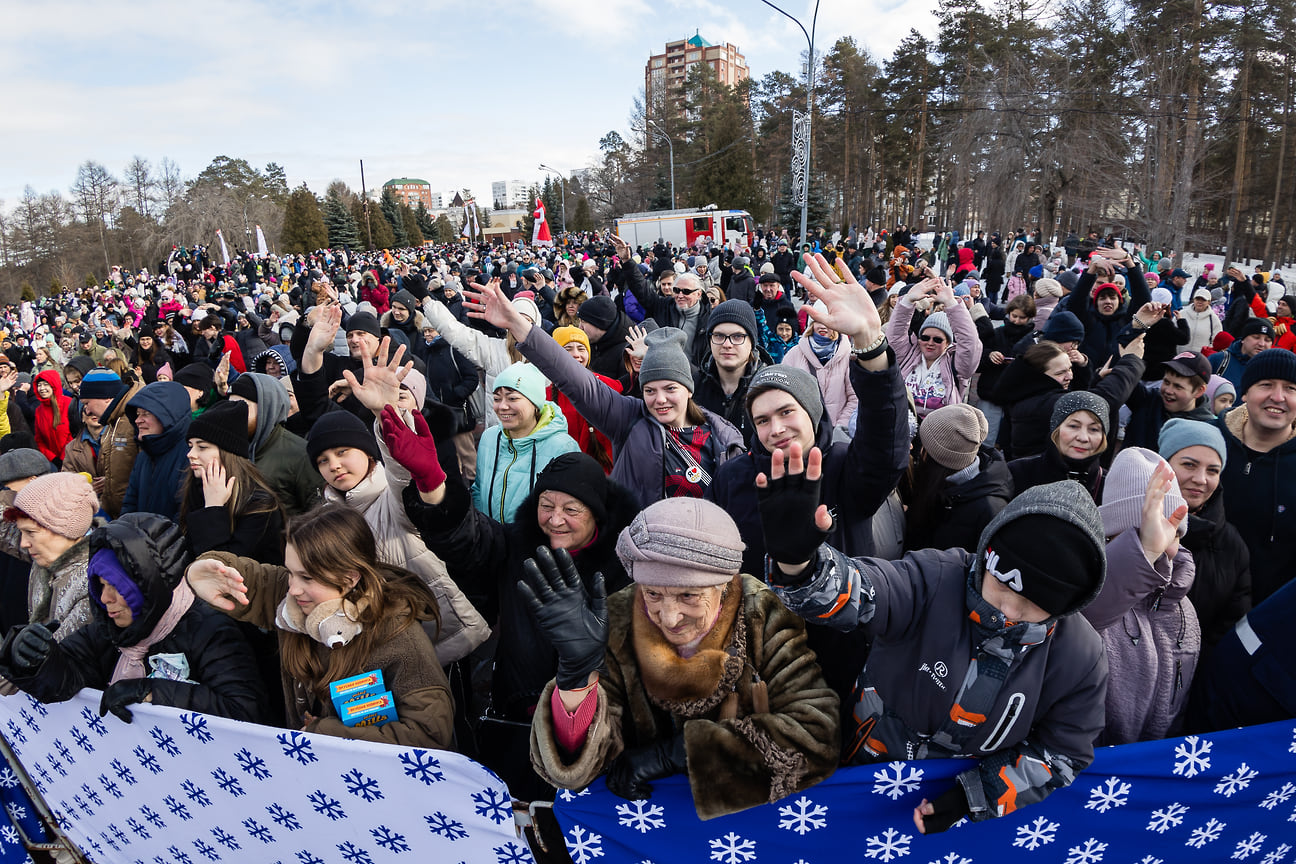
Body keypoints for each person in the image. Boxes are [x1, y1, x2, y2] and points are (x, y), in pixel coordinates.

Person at [760, 447, 1108, 833]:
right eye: (1002, 586)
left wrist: (976, 795)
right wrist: (800, 565)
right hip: (863, 770)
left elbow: (1062, 751)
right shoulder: (936, 578)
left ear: (1064, 607)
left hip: (955, 808)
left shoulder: (1081, 657)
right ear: (988, 556)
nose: (1007, 610)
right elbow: (861, 590)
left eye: (1031, 605)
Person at [525, 496, 840, 820]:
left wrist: (679, 753)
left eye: (688, 595)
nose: (670, 617)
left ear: (723, 584)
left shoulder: (761, 612)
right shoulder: (617, 621)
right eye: (653, 594)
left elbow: (816, 736)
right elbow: (580, 766)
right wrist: (576, 678)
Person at [185, 504, 454, 747]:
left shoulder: (401, 639)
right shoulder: (294, 600)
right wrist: (200, 570)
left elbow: (429, 734)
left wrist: (324, 734)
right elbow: (250, 580)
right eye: (290, 572)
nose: (292, 589)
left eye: (307, 577)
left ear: (350, 578)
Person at [468, 278, 744, 506]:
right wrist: (518, 325)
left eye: (670, 388)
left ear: (687, 389)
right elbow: (573, 377)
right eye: (649, 390)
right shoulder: (629, 418)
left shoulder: (724, 437)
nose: (659, 399)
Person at [0, 513, 267, 724]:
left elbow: (245, 712)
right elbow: (61, 681)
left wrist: (152, 692)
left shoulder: (210, 631)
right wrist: (29, 656)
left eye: (118, 586)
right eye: (101, 586)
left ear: (147, 585)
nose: (105, 599)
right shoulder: (107, 630)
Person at [304, 369, 490, 668]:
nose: (334, 465)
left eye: (343, 452)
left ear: (368, 453)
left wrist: (384, 413)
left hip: (442, 637)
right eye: (323, 460)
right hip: (380, 646)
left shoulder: (390, 497)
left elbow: (403, 474)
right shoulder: (328, 517)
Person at [1084, 448, 1197, 744]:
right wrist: (1142, 554)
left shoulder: (1183, 607)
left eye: (1170, 532)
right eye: (1140, 532)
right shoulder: (1085, 592)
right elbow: (1086, 619)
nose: (1158, 544)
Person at [1158, 419, 1250, 656]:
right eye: (1189, 465)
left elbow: (1232, 624)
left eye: (1213, 470)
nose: (1201, 479)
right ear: (1164, 465)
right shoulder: (1125, 524)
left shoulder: (1231, 545)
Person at [1216, 349, 1296, 604]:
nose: (1278, 396)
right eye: (1266, 385)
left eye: (1291, 388)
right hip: (1194, 606)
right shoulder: (1207, 445)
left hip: (1268, 618)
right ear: (1245, 392)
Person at [179, 399, 286, 563]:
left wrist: (213, 509)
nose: (190, 454)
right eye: (190, 445)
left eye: (202, 447)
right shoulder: (196, 486)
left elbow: (224, 568)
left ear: (227, 452)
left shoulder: (259, 503)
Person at [472, 361, 579, 522]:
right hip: (490, 540)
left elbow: (571, 509)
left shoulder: (562, 446)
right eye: (496, 398)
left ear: (535, 403)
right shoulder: (490, 438)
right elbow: (478, 489)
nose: (502, 406)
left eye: (512, 398)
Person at [0, 472, 100, 639]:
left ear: (64, 528)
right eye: (22, 532)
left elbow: (60, 652)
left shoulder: (95, 584)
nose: (23, 543)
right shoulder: (49, 553)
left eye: (30, 532)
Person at [904, 404, 1012, 552]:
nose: (918, 451)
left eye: (924, 446)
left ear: (936, 459)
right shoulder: (944, 484)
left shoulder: (989, 510)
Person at [886, 275, 981, 419]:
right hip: (901, 429)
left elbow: (969, 343)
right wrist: (907, 301)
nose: (930, 343)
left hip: (938, 433)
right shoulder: (907, 355)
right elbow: (895, 334)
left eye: (937, 340)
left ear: (948, 343)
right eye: (925, 337)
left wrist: (951, 303)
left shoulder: (956, 364)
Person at [228, 372, 321, 516]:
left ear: (267, 408)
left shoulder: (299, 454)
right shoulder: (226, 449)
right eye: (230, 405)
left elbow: (317, 515)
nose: (233, 413)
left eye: (242, 406)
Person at [692, 299, 768, 446]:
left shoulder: (768, 390)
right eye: (719, 336)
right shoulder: (693, 387)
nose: (727, 344)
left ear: (751, 342)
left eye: (737, 336)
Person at [121, 380, 192, 521]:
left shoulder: (190, 457)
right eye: (137, 414)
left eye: (146, 414)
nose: (137, 420)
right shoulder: (143, 456)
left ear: (169, 415)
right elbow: (129, 505)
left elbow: (184, 514)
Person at [1122, 349, 1219, 450]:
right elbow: (1124, 378)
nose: (1168, 390)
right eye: (1166, 382)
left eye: (1178, 387)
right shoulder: (1147, 400)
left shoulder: (1205, 430)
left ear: (1199, 391)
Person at [782, 304, 859, 428]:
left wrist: (840, 427)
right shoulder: (794, 354)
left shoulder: (848, 356)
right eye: (818, 321)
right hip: (803, 431)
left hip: (835, 433)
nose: (823, 326)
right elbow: (783, 395)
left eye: (828, 321)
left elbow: (855, 398)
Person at [1210, 318, 1274, 390]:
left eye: (1267, 340)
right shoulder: (1219, 360)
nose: (1261, 344)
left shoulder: (1270, 370)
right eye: (1256, 337)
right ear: (1243, 339)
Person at [32, 369, 75, 465]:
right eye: (39, 385)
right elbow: (39, 440)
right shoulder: (39, 411)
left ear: (53, 384)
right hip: (52, 462)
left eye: (45, 384)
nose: (42, 388)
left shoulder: (68, 403)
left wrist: (64, 457)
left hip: (72, 457)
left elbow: (74, 433)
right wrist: (53, 458)